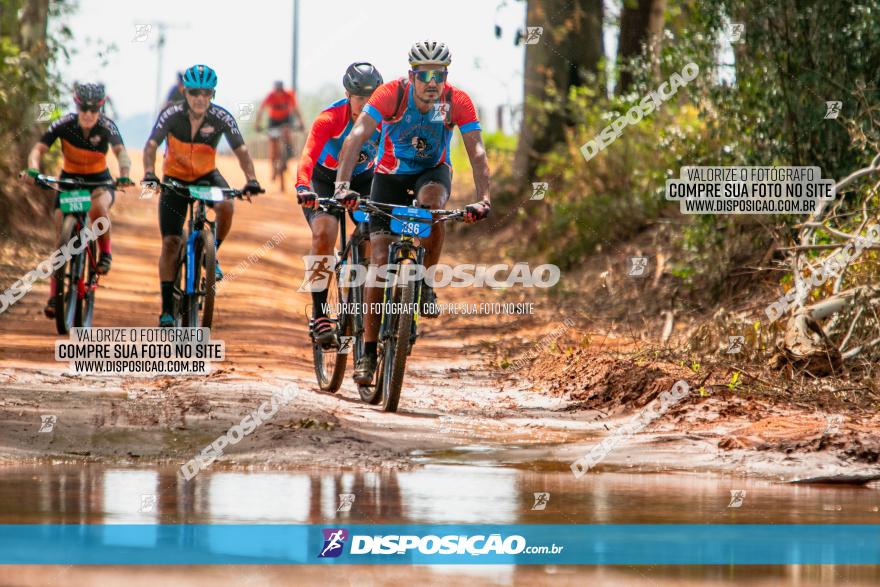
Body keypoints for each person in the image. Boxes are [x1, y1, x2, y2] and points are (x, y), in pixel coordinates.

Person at [333, 40, 492, 385]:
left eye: (439, 75)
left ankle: (425, 284)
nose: (432, 82)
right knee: (377, 261)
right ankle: (370, 353)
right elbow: (356, 136)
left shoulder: (456, 102)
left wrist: (484, 198)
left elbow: (476, 149)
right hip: (388, 176)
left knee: (434, 206)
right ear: (411, 75)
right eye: (424, 75)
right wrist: (342, 186)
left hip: (431, 173)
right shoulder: (391, 95)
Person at [142, 64, 262, 328]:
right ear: (185, 92)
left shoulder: (222, 117)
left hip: (207, 176)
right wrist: (150, 173)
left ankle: (212, 252)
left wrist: (252, 179)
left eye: (206, 93)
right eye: (194, 92)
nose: (199, 98)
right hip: (174, 179)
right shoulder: (171, 115)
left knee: (227, 204)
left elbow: (241, 150)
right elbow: (151, 145)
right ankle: (166, 310)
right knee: (171, 243)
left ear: (212, 95)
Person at [25, 82, 133, 319]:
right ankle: (55, 296)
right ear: (77, 106)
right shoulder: (64, 124)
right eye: (83, 108)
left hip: (99, 183)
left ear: (100, 109)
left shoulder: (107, 127)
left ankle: (105, 253)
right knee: (59, 239)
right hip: (69, 182)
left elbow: (121, 153)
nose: (88, 114)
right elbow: (38, 149)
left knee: (98, 207)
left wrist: (124, 174)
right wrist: (33, 169)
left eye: (94, 110)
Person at [295, 62, 383, 346]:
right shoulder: (330, 119)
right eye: (360, 97)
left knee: (374, 233)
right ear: (347, 94)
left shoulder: (385, 120)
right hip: (324, 181)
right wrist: (302, 186)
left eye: (373, 96)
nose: (366, 103)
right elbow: (308, 156)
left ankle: (364, 300)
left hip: (363, 180)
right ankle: (320, 313)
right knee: (324, 233)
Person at [255, 81, 304, 158]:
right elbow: (261, 110)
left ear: (283, 89)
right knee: (273, 140)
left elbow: (296, 109)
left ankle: (288, 151)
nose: (279, 93)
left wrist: (301, 122)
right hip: (273, 120)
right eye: (277, 91)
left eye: (280, 91)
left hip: (286, 119)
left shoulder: (289, 94)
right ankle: (274, 158)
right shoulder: (270, 96)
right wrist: (257, 124)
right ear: (274, 90)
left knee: (286, 132)